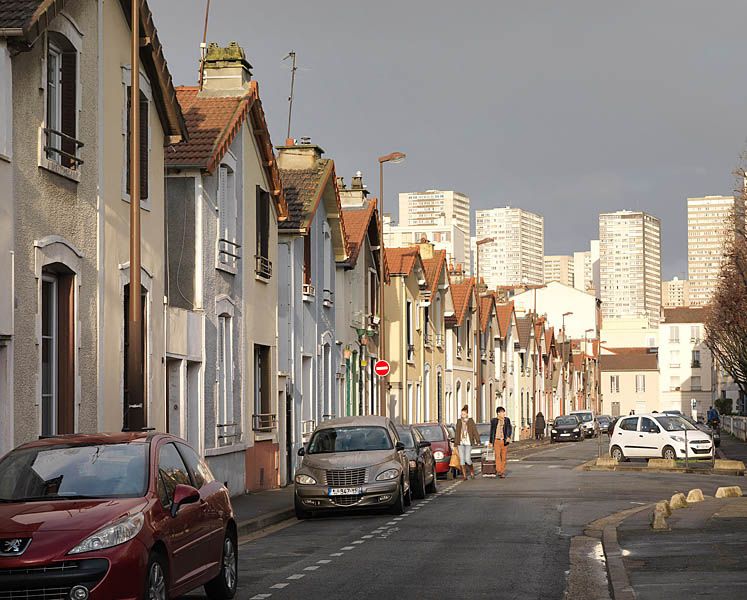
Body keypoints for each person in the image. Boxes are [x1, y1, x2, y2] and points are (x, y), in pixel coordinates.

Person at [454, 405, 480, 480]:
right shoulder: (459, 421)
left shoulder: (470, 421)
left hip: (468, 442)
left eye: (464, 414)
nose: (462, 416)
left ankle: (472, 471)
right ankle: (464, 476)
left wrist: (478, 440)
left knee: (467, 459)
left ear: (467, 414)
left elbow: (474, 430)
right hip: (461, 443)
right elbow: (457, 432)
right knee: (462, 459)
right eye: (461, 414)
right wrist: (456, 443)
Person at [489, 406, 513, 479]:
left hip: (504, 441)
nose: (503, 414)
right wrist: (490, 442)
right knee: (497, 456)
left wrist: (508, 437)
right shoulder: (494, 421)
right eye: (502, 412)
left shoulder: (507, 420)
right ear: (498, 413)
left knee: (504, 457)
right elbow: (492, 431)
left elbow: (509, 428)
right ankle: (499, 471)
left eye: (504, 412)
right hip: (496, 440)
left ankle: (502, 471)